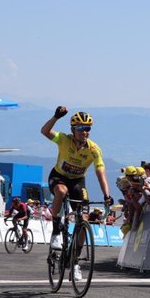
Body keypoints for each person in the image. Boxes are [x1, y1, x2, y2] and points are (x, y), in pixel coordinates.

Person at [40, 106, 113, 250]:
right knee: (61, 192)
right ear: (73, 129)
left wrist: (107, 195)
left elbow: (101, 173)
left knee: (84, 221)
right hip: (59, 176)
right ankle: (55, 233)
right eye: (80, 127)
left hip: (77, 182)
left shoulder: (94, 149)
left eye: (88, 128)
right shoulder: (64, 140)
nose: (84, 132)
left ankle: (75, 261)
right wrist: (56, 117)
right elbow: (45, 131)